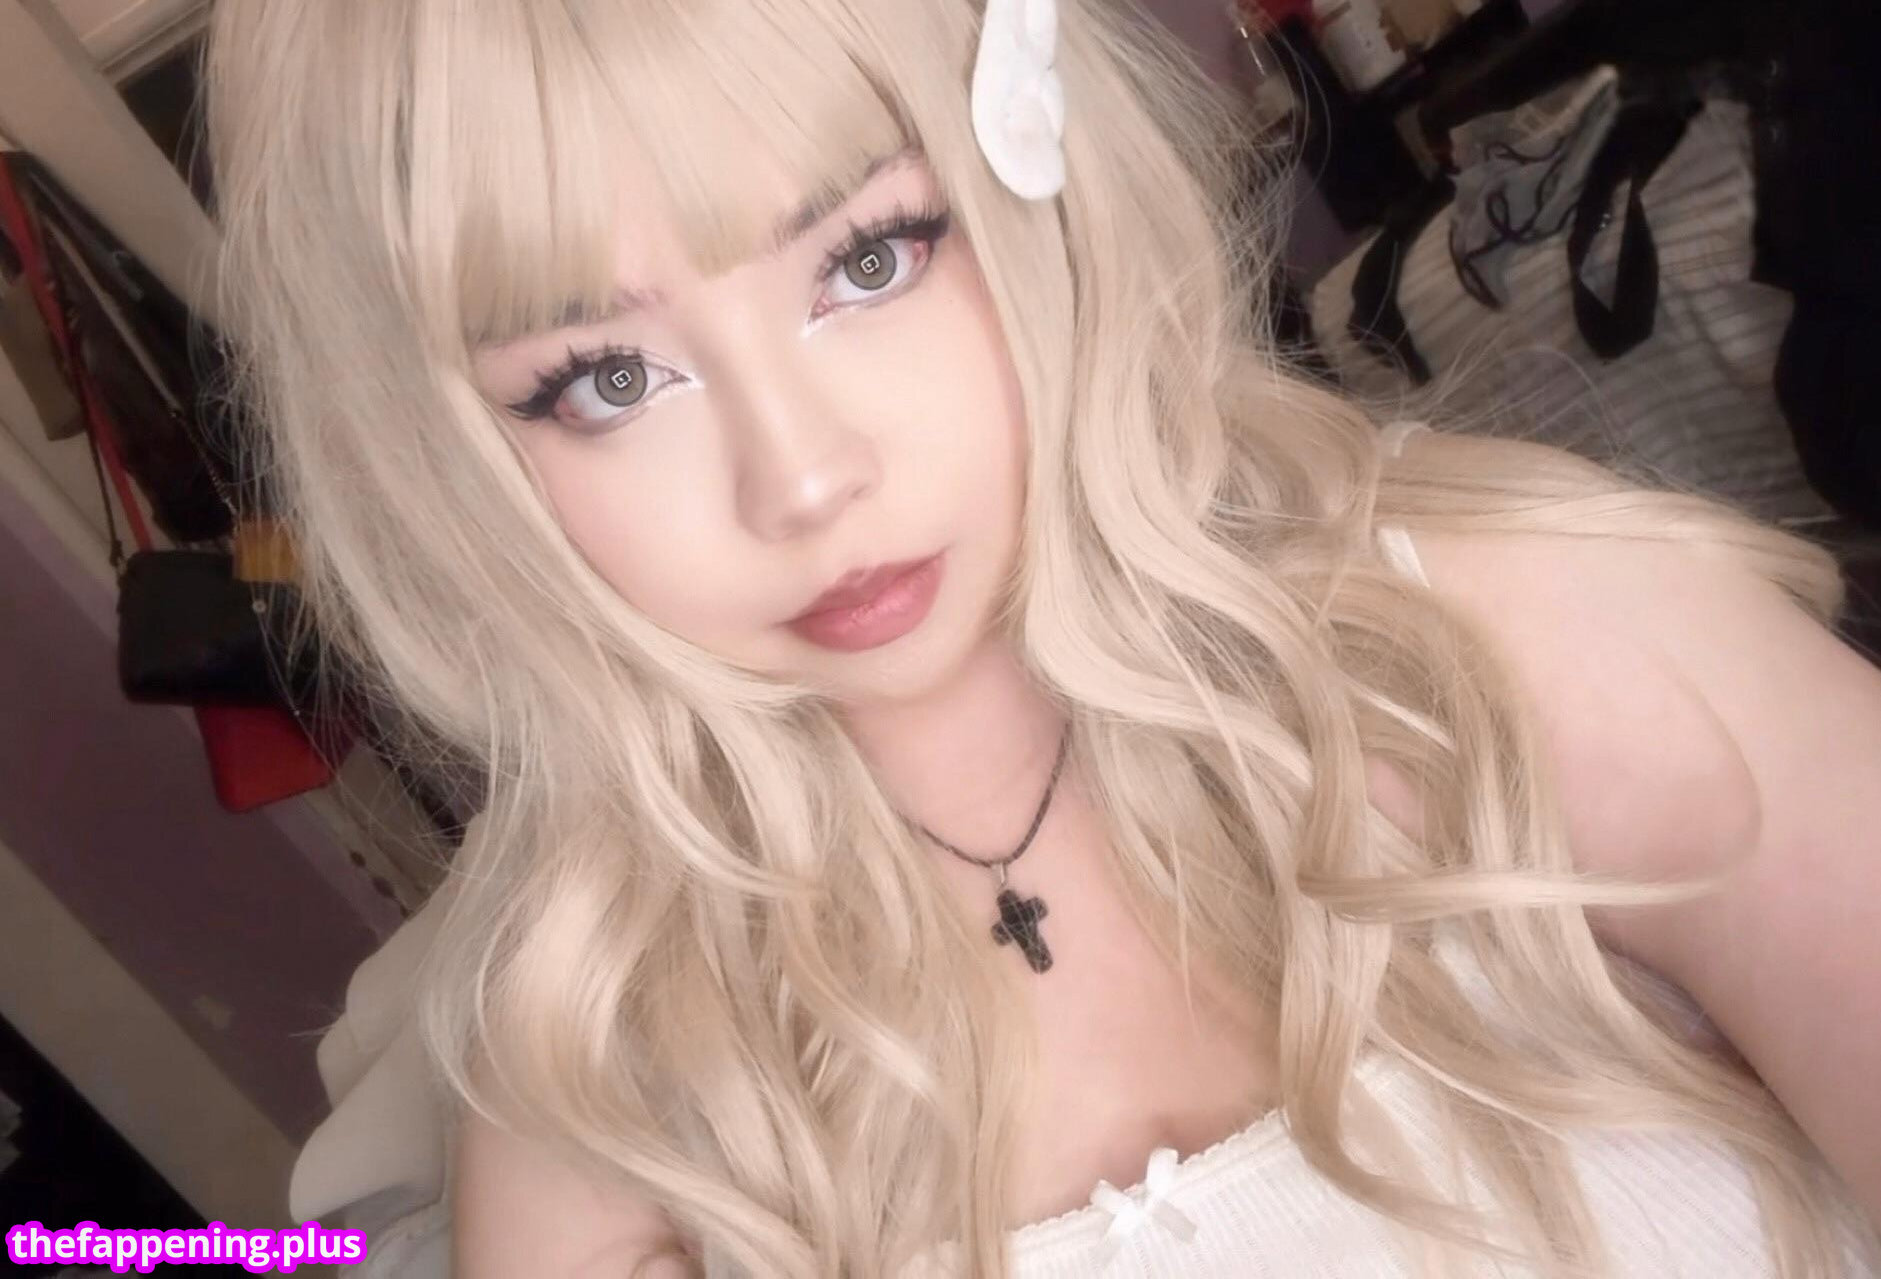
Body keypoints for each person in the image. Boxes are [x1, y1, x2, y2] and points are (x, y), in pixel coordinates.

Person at [201, 0, 1881, 1275]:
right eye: (608, 379)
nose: (804, 477)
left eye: (867, 258)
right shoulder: (609, 1087)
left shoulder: (1534, 643)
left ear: (1033, 186)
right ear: (453, 463)